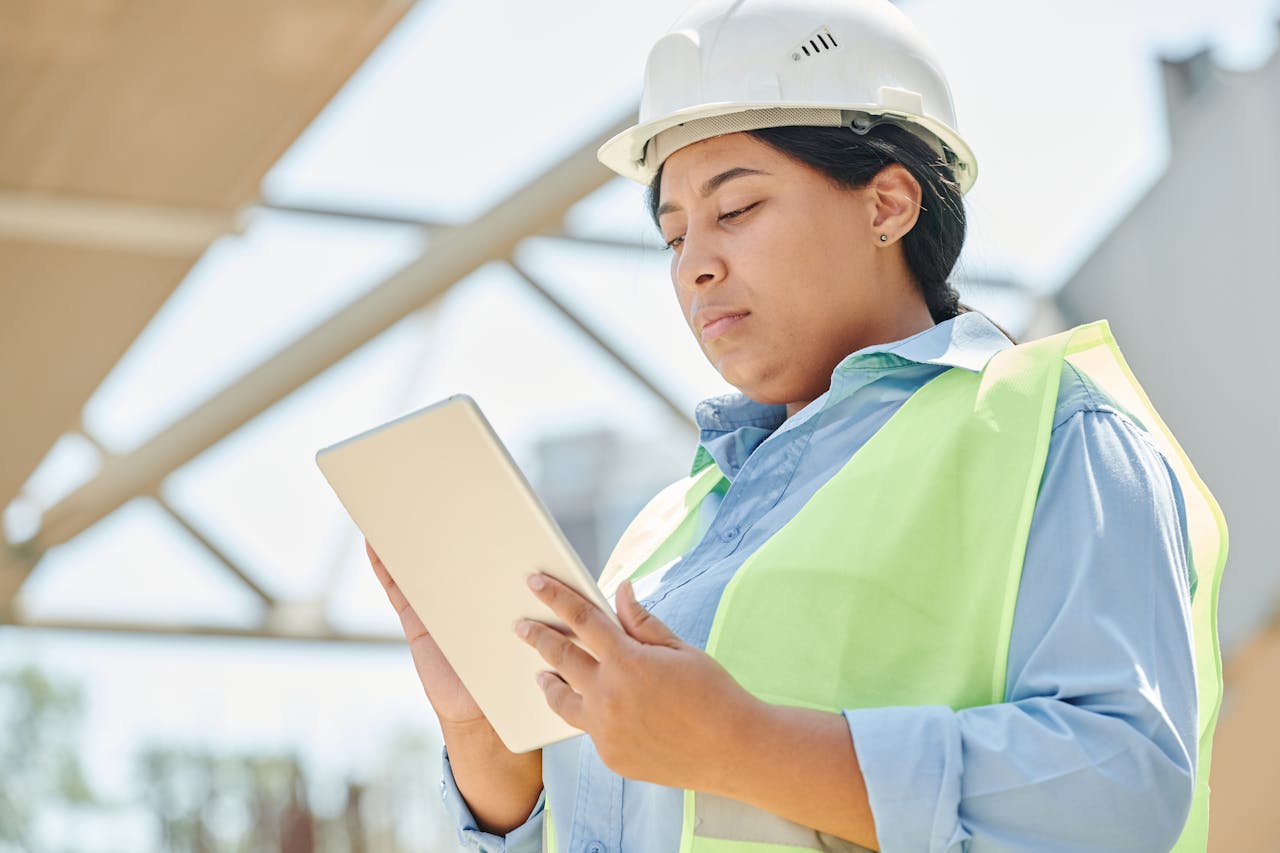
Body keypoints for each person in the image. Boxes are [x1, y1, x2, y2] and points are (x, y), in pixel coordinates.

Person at [366, 0, 1228, 850]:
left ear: (888, 204)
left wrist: (746, 746)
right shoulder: (662, 538)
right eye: (674, 237)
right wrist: (487, 738)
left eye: (735, 210)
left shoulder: (1054, 432)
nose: (697, 265)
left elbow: (1122, 789)